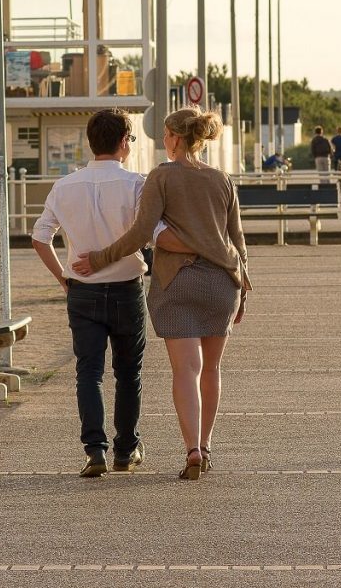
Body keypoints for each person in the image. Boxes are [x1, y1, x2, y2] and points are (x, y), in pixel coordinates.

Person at [72, 106, 251, 481]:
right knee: (212, 369)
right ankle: (205, 445)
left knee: (186, 370)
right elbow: (238, 239)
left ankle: (190, 450)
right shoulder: (222, 180)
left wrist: (100, 258)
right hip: (222, 282)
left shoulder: (161, 177)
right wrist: (243, 288)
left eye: (165, 136)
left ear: (173, 137)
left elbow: (141, 234)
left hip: (178, 283)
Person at [31, 108, 193, 477]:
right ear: (124, 142)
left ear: (91, 142)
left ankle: (94, 451)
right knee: (128, 372)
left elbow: (40, 237)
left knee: (88, 372)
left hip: (82, 291)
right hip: (125, 288)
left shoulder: (64, 186)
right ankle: (126, 449)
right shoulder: (137, 184)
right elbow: (152, 234)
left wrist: (63, 276)